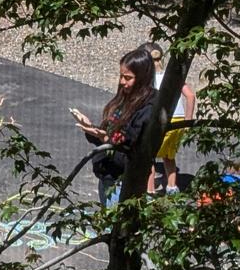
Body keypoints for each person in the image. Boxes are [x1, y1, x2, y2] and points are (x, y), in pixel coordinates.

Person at [73, 48, 156, 206]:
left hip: (122, 183)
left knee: (115, 220)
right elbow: (110, 135)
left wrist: (104, 138)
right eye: (121, 76)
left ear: (142, 78)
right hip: (107, 178)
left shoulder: (148, 108)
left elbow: (130, 151)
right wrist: (92, 129)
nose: (122, 82)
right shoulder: (125, 98)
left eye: (128, 78)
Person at [142, 43, 196, 195]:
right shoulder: (173, 77)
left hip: (161, 120)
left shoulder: (148, 79)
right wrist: (188, 121)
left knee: (149, 157)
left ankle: (150, 191)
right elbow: (190, 96)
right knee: (169, 155)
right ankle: (172, 188)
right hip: (178, 120)